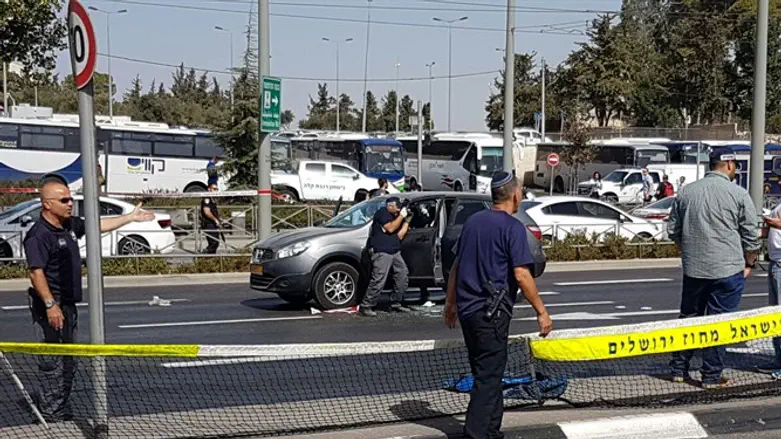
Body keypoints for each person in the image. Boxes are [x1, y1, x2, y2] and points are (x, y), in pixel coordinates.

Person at [23, 174, 155, 422]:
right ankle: (52, 415)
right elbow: (35, 273)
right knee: (53, 361)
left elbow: (97, 225)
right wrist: (51, 305)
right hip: (51, 306)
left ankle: (60, 408)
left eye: (71, 199)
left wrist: (129, 218)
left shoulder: (68, 224)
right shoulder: (39, 235)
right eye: (64, 200)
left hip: (68, 304)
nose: (70, 203)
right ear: (47, 204)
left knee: (69, 360)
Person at [443, 172, 552, 439]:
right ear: (515, 195)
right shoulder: (513, 228)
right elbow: (522, 274)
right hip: (492, 314)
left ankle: (492, 430)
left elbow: (456, 266)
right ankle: (476, 433)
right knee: (488, 379)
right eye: (522, 193)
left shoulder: (472, 223)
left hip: (469, 312)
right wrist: (542, 312)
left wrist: (450, 303)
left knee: (487, 373)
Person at [667, 147, 759, 389]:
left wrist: (688, 251)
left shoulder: (687, 192)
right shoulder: (738, 194)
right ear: (729, 165)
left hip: (694, 269)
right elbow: (751, 234)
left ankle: (679, 369)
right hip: (728, 269)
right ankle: (711, 375)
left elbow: (673, 230)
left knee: (689, 318)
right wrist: (750, 262)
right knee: (720, 323)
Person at [359, 196, 412, 317]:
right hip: (381, 251)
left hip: (394, 251)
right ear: (390, 206)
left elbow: (399, 235)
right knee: (379, 279)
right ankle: (366, 305)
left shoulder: (397, 217)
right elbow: (390, 228)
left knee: (402, 275)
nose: (399, 209)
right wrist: (401, 216)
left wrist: (407, 221)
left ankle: (396, 302)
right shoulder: (382, 213)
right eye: (397, 207)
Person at [759, 207, 781, 372]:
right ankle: (778, 359)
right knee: (775, 315)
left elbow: (776, 225)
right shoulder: (778, 205)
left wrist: (774, 223)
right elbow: (767, 231)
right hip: (775, 262)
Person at [201, 183, 221, 254]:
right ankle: (204, 255)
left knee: (216, 243)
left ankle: (211, 259)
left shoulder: (213, 199)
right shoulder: (207, 198)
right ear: (209, 189)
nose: (216, 191)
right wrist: (215, 220)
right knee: (214, 243)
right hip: (208, 224)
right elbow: (207, 212)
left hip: (213, 224)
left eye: (217, 189)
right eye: (214, 189)